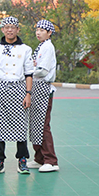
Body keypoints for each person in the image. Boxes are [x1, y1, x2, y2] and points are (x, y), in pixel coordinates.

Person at [0, 16, 33, 175]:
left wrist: (28, 94)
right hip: (0, 89)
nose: (10, 30)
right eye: (7, 27)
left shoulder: (26, 49)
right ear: (2, 29)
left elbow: (29, 73)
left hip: (19, 89)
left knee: (21, 125)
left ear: (18, 29)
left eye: (13, 27)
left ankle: (22, 160)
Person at [26, 20, 60, 172]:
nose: (38, 33)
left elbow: (43, 70)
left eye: (41, 30)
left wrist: (28, 71)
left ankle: (51, 160)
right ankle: (39, 158)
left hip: (43, 88)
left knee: (43, 124)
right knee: (35, 124)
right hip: (36, 88)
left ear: (49, 32)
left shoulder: (47, 47)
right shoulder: (41, 46)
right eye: (37, 30)